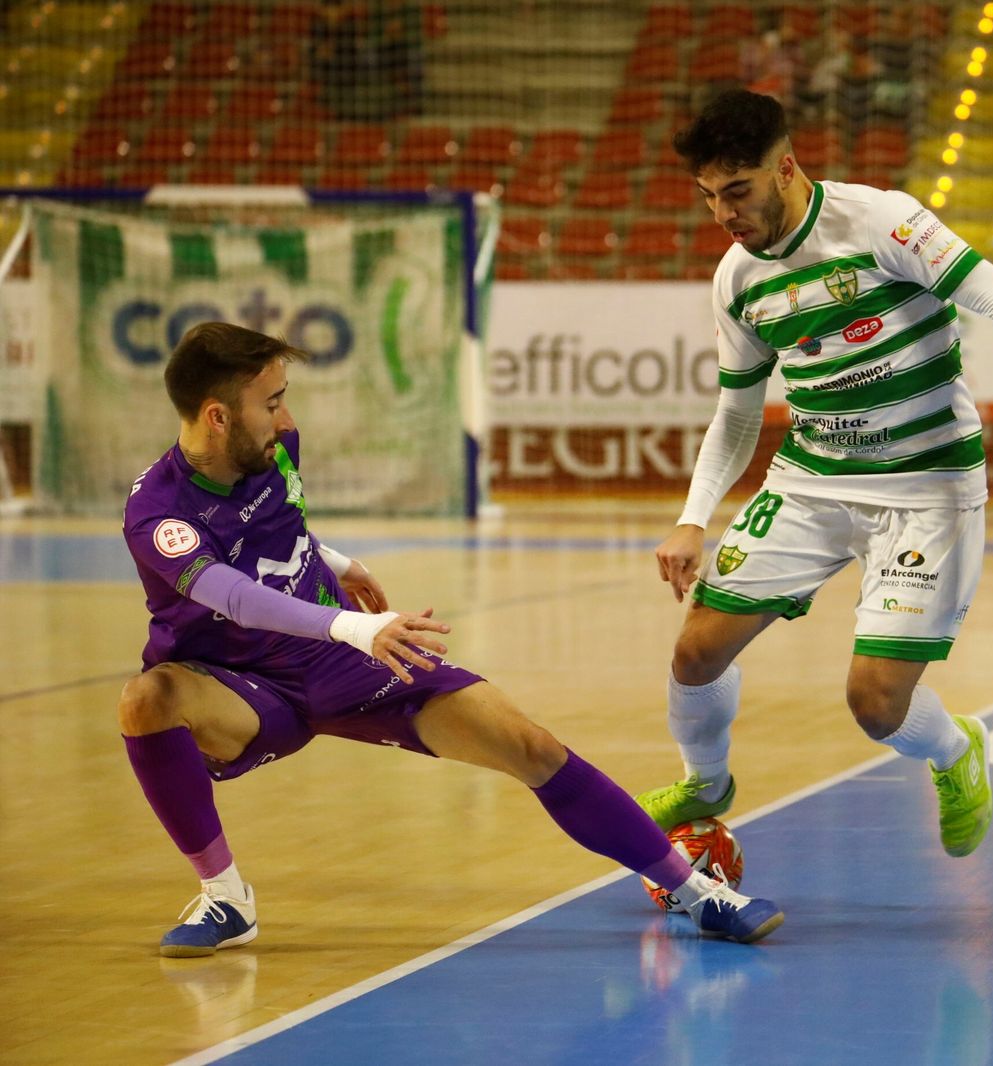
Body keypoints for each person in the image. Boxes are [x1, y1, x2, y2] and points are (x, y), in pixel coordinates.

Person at [119, 322, 783, 958]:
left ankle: (698, 893)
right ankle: (224, 898)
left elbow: (276, 529)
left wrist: (342, 565)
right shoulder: (157, 511)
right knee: (147, 699)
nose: (286, 420)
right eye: (271, 403)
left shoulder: (274, 448)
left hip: (338, 658)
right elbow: (229, 593)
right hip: (239, 686)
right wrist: (354, 624)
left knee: (532, 746)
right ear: (217, 417)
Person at [636, 90, 993, 859]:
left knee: (876, 703)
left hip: (927, 489)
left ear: (785, 169)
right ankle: (706, 782)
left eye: (737, 191)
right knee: (695, 651)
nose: (723, 213)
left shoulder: (880, 221)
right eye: (708, 197)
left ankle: (958, 750)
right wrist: (694, 516)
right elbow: (735, 414)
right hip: (811, 479)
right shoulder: (736, 279)